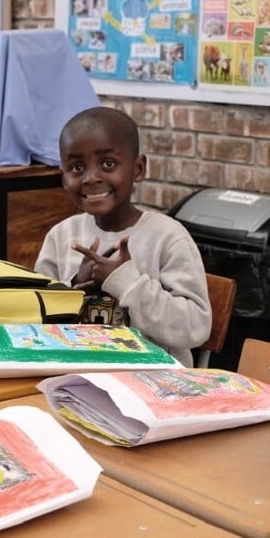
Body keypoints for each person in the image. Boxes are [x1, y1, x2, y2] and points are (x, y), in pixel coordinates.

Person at [34, 107, 211, 367]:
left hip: (154, 381)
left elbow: (195, 328)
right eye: (77, 167)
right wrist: (74, 287)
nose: (91, 178)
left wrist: (126, 283)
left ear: (138, 169)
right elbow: (35, 320)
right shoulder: (61, 236)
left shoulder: (168, 238)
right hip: (77, 375)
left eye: (108, 164)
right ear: (63, 178)